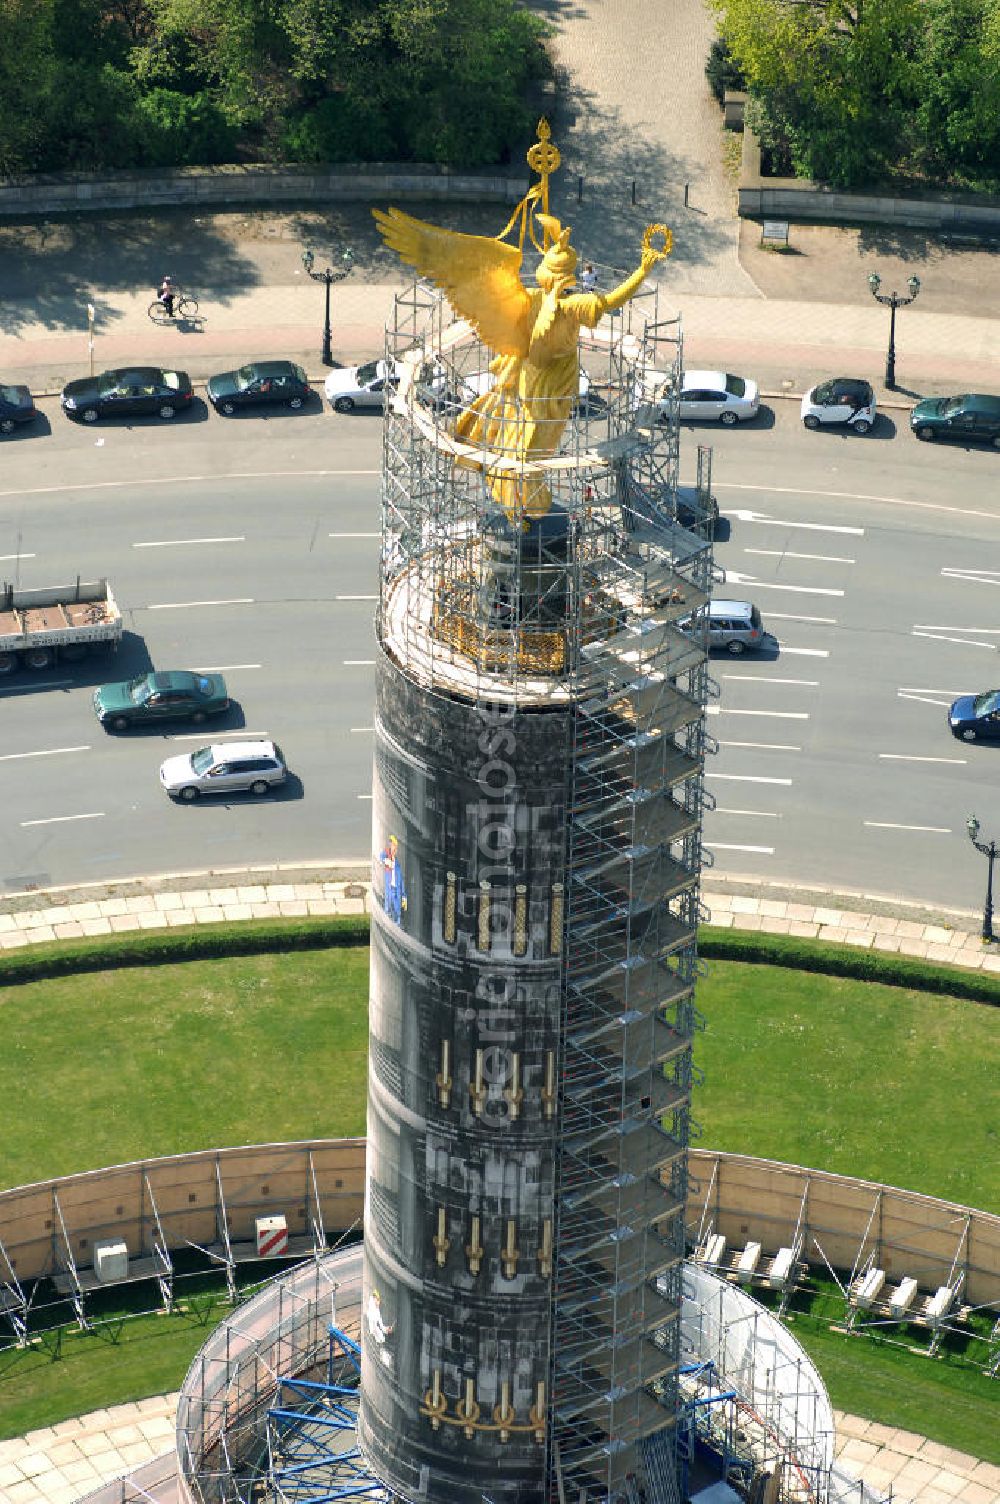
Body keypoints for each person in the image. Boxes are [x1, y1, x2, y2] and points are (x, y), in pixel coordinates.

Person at [379, 834, 407, 924]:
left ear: (396, 849)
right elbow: (382, 857)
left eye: (394, 847)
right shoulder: (387, 855)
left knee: (397, 906)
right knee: (388, 901)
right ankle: (387, 915)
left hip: (397, 889)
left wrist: (404, 896)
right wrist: (387, 861)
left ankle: (397, 920)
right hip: (390, 886)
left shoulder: (398, 865)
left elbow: (401, 881)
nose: (393, 848)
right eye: (391, 845)